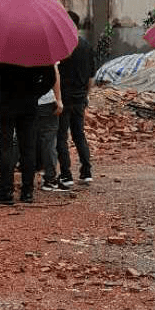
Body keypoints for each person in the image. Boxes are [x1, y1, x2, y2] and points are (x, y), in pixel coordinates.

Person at [0, 59, 56, 204]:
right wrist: (35, 92)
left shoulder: (2, 50)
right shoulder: (37, 51)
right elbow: (50, 78)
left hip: (5, 104)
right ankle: (27, 192)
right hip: (28, 105)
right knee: (28, 148)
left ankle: (6, 190)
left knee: (5, 148)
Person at [56, 11, 95, 185]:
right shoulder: (86, 45)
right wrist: (86, 95)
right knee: (79, 134)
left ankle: (66, 174)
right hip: (80, 97)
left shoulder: (61, 46)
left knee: (61, 136)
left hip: (63, 98)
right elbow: (91, 78)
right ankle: (86, 170)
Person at [37, 65, 68, 192]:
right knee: (49, 140)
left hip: (25, 101)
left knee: (23, 139)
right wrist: (59, 99)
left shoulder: (18, 49)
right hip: (46, 101)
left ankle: (14, 178)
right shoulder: (47, 48)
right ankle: (50, 179)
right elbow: (55, 75)